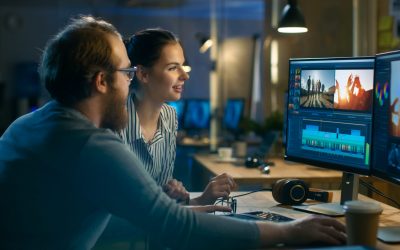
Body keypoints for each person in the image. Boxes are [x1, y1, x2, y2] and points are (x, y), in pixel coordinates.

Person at [0, 15, 346, 249]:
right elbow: (176, 230)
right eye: (126, 73)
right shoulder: (90, 145)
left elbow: (99, 221)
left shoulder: (25, 127)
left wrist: (184, 213)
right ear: (102, 81)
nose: (130, 80)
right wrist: (289, 231)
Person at [122, 28, 236, 206]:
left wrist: (183, 196)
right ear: (143, 74)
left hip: (154, 228)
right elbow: (127, 207)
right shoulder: (114, 120)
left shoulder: (169, 116)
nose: (185, 75)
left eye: (182, 66)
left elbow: (162, 205)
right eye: (173, 67)